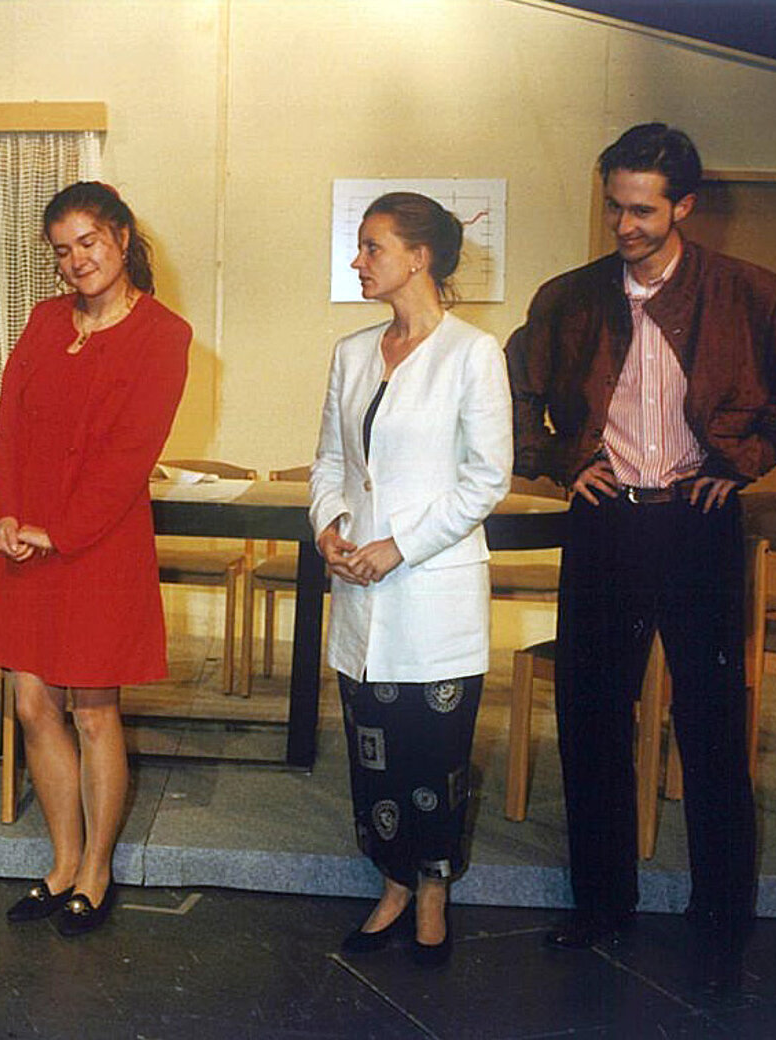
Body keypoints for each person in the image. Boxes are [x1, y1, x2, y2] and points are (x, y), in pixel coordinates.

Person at [507, 123, 776, 995]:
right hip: (604, 524)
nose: (624, 225)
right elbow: (509, 391)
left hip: (698, 524)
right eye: (614, 207)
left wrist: (748, 458)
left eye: (643, 211)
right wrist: (560, 461)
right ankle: (600, 905)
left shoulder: (749, 291)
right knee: (590, 716)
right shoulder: (570, 297)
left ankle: (722, 913)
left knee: (711, 721)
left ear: (684, 207)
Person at [0, 182, 190, 937]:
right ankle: (62, 863)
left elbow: (131, 456)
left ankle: (97, 870)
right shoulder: (42, 321)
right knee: (33, 705)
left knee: (94, 713)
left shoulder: (164, 335)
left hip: (96, 545)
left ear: (122, 237)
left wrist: (57, 532)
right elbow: (7, 430)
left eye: (88, 242)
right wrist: (6, 511)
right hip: (24, 541)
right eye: (62, 250)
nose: (76, 261)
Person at [310, 192, 512, 968]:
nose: (358, 261)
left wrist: (400, 546)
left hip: (430, 588)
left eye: (373, 247)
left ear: (419, 258)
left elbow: (486, 478)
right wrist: (329, 526)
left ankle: (432, 892)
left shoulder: (472, 353)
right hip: (358, 589)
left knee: (434, 756)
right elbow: (331, 460)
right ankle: (392, 883)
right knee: (373, 754)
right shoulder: (353, 352)